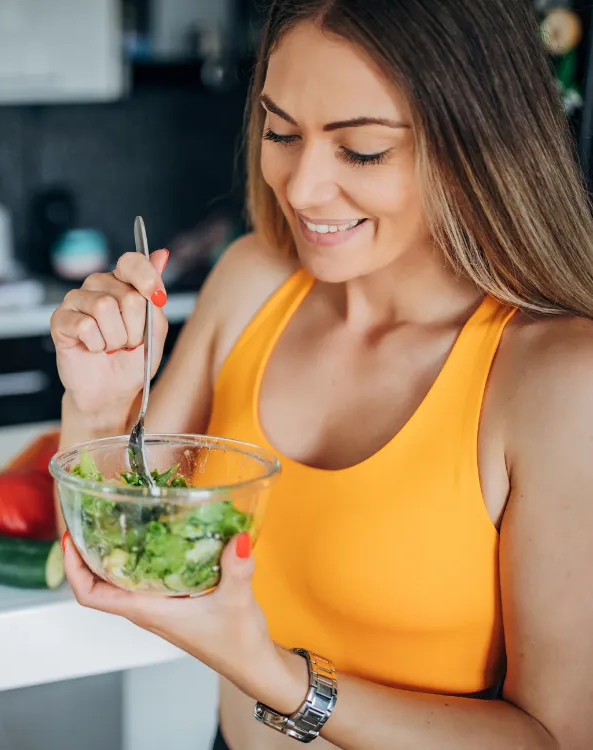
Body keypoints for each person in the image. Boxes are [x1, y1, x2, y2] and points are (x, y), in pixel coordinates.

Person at [48, 0, 593, 748]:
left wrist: (276, 677)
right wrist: (101, 408)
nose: (300, 189)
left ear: (480, 146)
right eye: (280, 132)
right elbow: (120, 559)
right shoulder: (250, 284)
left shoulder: (558, 381)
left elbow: (556, 740)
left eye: (361, 150)